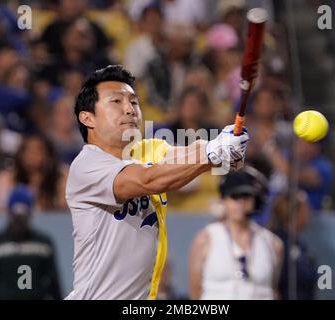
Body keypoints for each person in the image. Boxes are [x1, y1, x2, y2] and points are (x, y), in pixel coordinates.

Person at [64, 65, 249, 300]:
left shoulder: (144, 150)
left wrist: (221, 146)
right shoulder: (87, 165)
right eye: (116, 102)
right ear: (87, 118)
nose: (129, 109)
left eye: (133, 102)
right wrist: (213, 154)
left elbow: (183, 155)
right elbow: (148, 179)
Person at [188, 168, 284, 300]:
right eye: (234, 196)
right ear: (223, 200)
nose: (240, 202)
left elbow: (273, 290)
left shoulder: (272, 243)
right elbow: (195, 293)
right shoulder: (205, 238)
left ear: (254, 200)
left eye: (246, 196)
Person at [0, 185, 62, 300]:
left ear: (30, 215)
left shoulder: (44, 243)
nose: (19, 221)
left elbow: (54, 285)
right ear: (9, 214)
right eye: (16, 216)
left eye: (23, 216)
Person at [268, 191, 317, 300]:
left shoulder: (300, 244)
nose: (310, 212)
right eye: (306, 208)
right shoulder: (277, 242)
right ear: (295, 213)